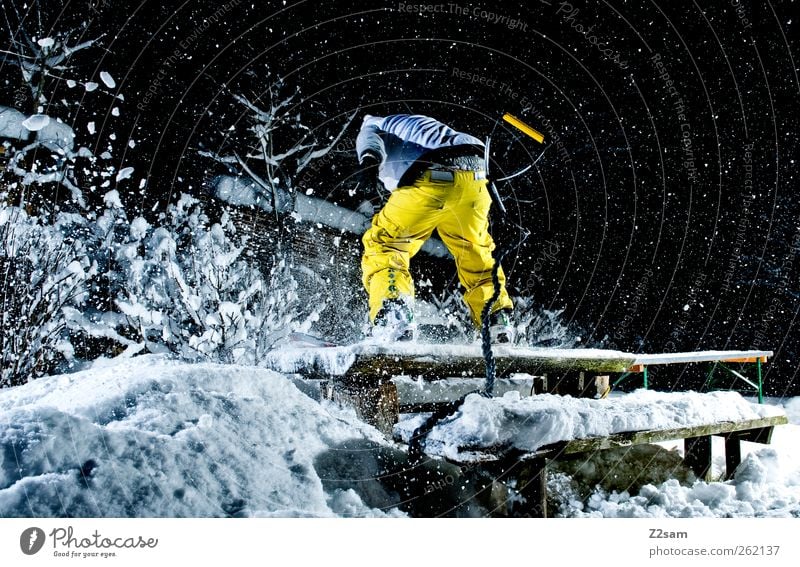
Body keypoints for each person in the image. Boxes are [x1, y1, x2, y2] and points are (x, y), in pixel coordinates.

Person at [355, 113, 515, 343]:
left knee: (386, 245)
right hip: (478, 179)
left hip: (432, 176)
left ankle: (394, 313)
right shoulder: (412, 125)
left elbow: (370, 145)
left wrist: (367, 165)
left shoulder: (370, 125)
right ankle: (497, 320)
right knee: (476, 254)